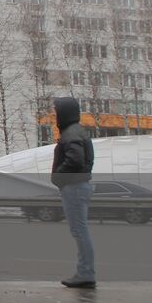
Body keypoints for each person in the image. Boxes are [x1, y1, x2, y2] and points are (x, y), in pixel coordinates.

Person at [50, 96, 95, 288]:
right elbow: (86, 160)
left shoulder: (71, 132)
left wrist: (60, 176)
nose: (55, 115)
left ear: (64, 113)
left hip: (74, 187)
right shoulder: (77, 131)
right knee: (80, 231)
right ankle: (85, 273)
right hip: (77, 185)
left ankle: (86, 274)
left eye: (57, 111)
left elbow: (75, 160)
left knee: (79, 231)